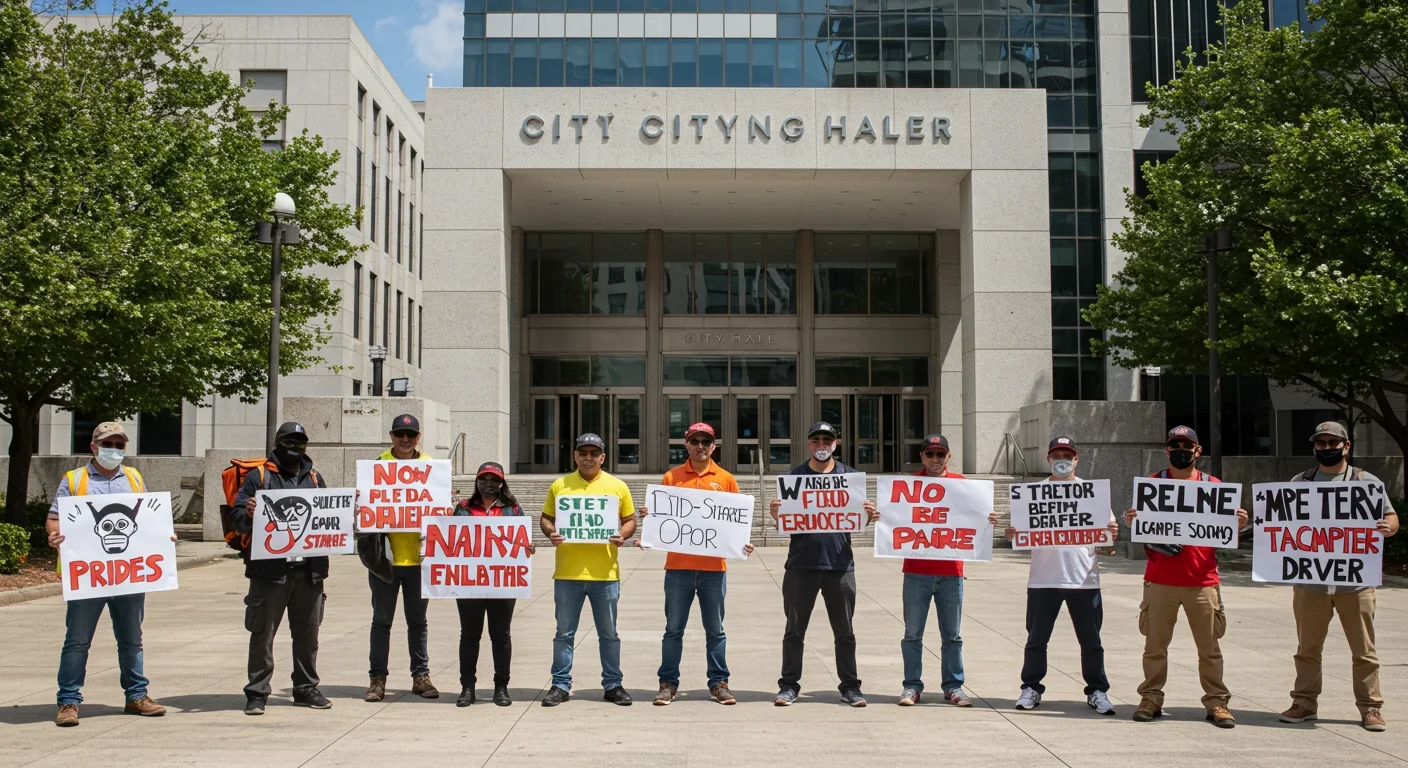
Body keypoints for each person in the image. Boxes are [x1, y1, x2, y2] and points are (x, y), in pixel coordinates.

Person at [46, 422, 170, 727]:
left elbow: (148, 520)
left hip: (128, 577)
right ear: (93, 446)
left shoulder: (134, 477)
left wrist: (163, 537)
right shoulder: (74, 480)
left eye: (119, 444)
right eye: (108, 443)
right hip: (89, 577)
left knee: (132, 639)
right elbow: (53, 519)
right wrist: (54, 536)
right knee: (77, 640)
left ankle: (136, 695)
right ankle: (68, 701)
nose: (114, 449)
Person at [1124, 425, 1248, 728]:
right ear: (1167, 451)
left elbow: (1222, 534)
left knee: (1209, 649)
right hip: (1160, 580)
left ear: (1197, 451)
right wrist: (1132, 521)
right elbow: (1145, 530)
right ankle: (1150, 697)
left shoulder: (1213, 485)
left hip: (1203, 581)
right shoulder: (1152, 484)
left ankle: (1217, 702)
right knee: (1154, 647)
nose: (1181, 450)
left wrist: (1238, 523)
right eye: (1175, 445)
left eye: (1186, 445)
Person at [1278, 421, 1398, 732]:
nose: (1328, 448)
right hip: (1310, 582)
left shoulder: (1366, 482)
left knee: (1364, 650)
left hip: (1354, 582)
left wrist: (1389, 527)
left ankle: (1371, 707)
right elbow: (1280, 523)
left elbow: (1390, 515)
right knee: (1307, 648)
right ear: (1314, 447)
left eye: (1334, 442)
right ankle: (1304, 702)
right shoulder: (1300, 482)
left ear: (1346, 446)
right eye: (1322, 443)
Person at [638, 423, 754, 706]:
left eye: (705, 441)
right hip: (678, 568)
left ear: (714, 446)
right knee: (673, 629)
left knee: (715, 630)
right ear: (686, 445)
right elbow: (664, 518)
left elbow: (734, 522)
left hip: (714, 570)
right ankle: (667, 683)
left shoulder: (726, 479)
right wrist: (651, 522)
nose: (700, 446)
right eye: (694, 441)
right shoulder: (672, 477)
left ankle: (719, 683)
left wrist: (742, 542)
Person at [1005, 437, 1118, 715]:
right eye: (1057, 455)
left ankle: (1097, 690)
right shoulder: (1033, 494)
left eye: (1067, 455)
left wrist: (1110, 536)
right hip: (1044, 580)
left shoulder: (1091, 493)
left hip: (1084, 579)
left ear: (1076, 459)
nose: (1062, 460)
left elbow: (1106, 538)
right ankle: (1030, 687)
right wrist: (1014, 535)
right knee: (1036, 640)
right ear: (1048, 459)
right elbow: (1022, 533)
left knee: (1091, 641)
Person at [768, 422, 877, 707]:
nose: (821, 444)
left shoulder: (849, 478)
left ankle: (850, 687)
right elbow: (786, 522)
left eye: (826, 440)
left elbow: (859, 522)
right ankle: (789, 686)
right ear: (808, 444)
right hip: (800, 566)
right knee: (793, 631)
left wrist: (869, 514)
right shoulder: (794, 478)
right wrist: (776, 514)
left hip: (840, 566)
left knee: (845, 632)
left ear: (835, 444)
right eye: (816, 439)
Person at [233, 422, 333, 716]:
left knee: (307, 635)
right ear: (277, 443)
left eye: (300, 441)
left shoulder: (315, 478)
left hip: (309, 572)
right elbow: (237, 517)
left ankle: (305, 688)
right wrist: (248, 513)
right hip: (270, 573)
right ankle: (257, 692)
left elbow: (327, 515)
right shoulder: (259, 476)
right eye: (290, 440)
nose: (295, 446)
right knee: (263, 635)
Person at [898, 434, 998, 708]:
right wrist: (883, 516)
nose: (935, 459)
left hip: (951, 573)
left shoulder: (962, 486)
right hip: (916, 572)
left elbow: (975, 521)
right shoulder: (908, 487)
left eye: (940, 454)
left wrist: (987, 520)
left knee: (952, 636)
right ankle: (911, 686)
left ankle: (953, 687)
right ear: (922, 457)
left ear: (948, 457)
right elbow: (896, 518)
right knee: (912, 634)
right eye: (930, 454)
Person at [539, 433, 637, 707]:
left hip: (604, 575)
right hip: (568, 574)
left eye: (595, 453)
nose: (589, 457)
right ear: (575, 456)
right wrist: (551, 533)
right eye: (584, 452)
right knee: (564, 634)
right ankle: (560, 684)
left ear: (603, 457)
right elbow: (546, 518)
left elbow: (630, 520)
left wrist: (623, 535)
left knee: (609, 634)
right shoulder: (560, 485)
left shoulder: (617, 486)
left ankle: (613, 684)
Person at [363, 414, 438, 702]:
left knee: (418, 622)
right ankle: (377, 679)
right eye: (399, 434)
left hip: (420, 561)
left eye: (410, 434)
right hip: (385, 562)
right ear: (391, 435)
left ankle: (421, 676)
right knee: (381, 621)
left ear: (418, 437)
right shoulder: (379, 466)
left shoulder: (430, 466)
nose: (405, 439)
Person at [452, 461, 534, 707]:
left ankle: (501, 687)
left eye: (494, 480)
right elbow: (451, 540)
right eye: (484, 479)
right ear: (476, 481)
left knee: (501, 636)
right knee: (469, 635)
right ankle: (467, 687)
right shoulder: (464, 507)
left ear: (502, 483)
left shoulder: (512, 509)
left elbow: (522, 542)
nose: (489, 484)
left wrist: (527, 548)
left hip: (502, 582)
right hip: (470, 582)